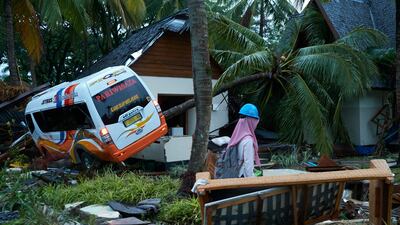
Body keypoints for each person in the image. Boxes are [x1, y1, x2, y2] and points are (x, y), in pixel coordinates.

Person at [226, 103, 261, 177]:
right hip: (241, 177)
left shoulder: (236, 137)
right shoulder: (248, 141)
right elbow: (248, 166)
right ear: (251, 121)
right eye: (255, 120)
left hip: (232, 174)